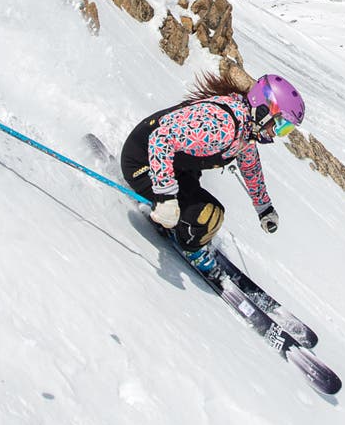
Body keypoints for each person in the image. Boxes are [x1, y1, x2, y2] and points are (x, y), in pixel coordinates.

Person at [120, 71, 305, 274]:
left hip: (173, 167)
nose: (277, 134)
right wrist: (165, 196)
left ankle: (179, 219)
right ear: (263, 111)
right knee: (209, 216)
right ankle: (190, 247)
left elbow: (250, 167)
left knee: (201, 206)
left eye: (285, 130)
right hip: (143, 164)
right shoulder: (223, 125)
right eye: (281, 126)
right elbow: (160, 139)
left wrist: (264, 208)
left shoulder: (245, 129)